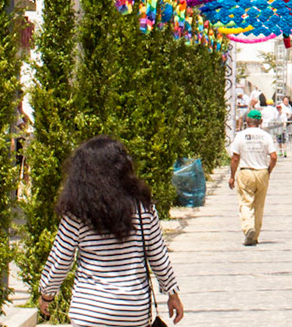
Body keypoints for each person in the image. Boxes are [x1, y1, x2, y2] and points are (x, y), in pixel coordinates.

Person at [36, 136, 183, 325]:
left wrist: (46, 294)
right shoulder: (142, 208)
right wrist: (172, 293)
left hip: (90, 311)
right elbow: (158, 255)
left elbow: (61, 257)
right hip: (133, 311)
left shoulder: (77, 212)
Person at [229, 109, 280, 246]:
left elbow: (235, 158)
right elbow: (274, 156)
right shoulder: (266, 136)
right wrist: (269, 170)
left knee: (246, 202)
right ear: (261, 122)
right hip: (262, 171)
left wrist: (232, 176)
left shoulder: (240, 136)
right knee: (259, 204)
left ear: (247, 121)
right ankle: (255, 234)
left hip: (246, 171)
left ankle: (248, 228)